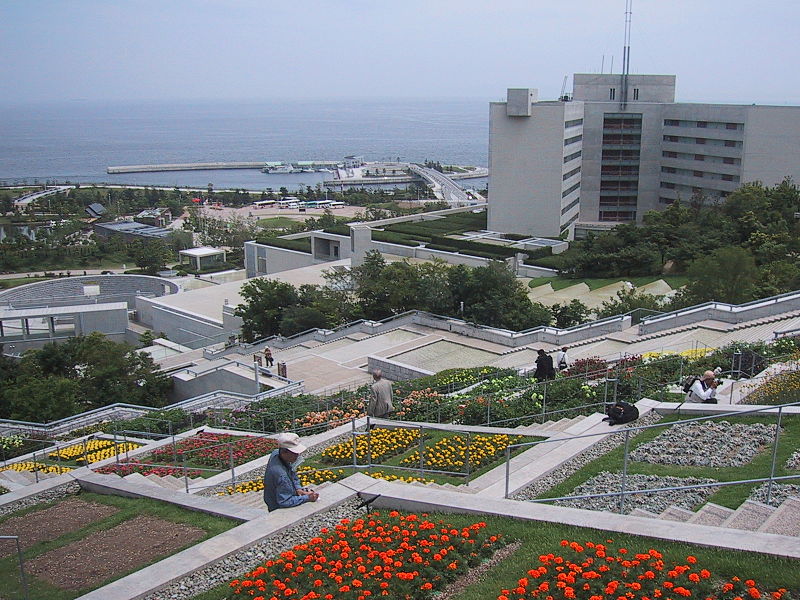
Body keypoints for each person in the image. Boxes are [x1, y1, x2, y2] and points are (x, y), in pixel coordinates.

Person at [263, 432, 318, 512]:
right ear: (284, 452)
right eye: (294, 453)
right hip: (278, 510)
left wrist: (298, 489)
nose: (297, 455)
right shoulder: (281, 475)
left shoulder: (276, 453)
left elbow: (292, 473)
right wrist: (307, 498)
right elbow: (285, 501)